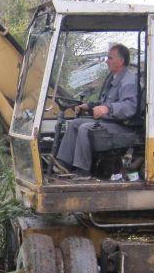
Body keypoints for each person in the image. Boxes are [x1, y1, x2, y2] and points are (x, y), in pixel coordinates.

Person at [55, 43, 138, 180]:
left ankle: (83, 172)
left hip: (124, 127)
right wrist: (88, 106)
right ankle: (63, 165)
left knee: (86, 128)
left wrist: (108, 108)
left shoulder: (128, 81)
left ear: (121, 61)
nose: (106, 61)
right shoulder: (114, 78)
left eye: (110, 58)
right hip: (109, 122)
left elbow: (129, 107)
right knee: (75, 123)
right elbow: (105, 101)